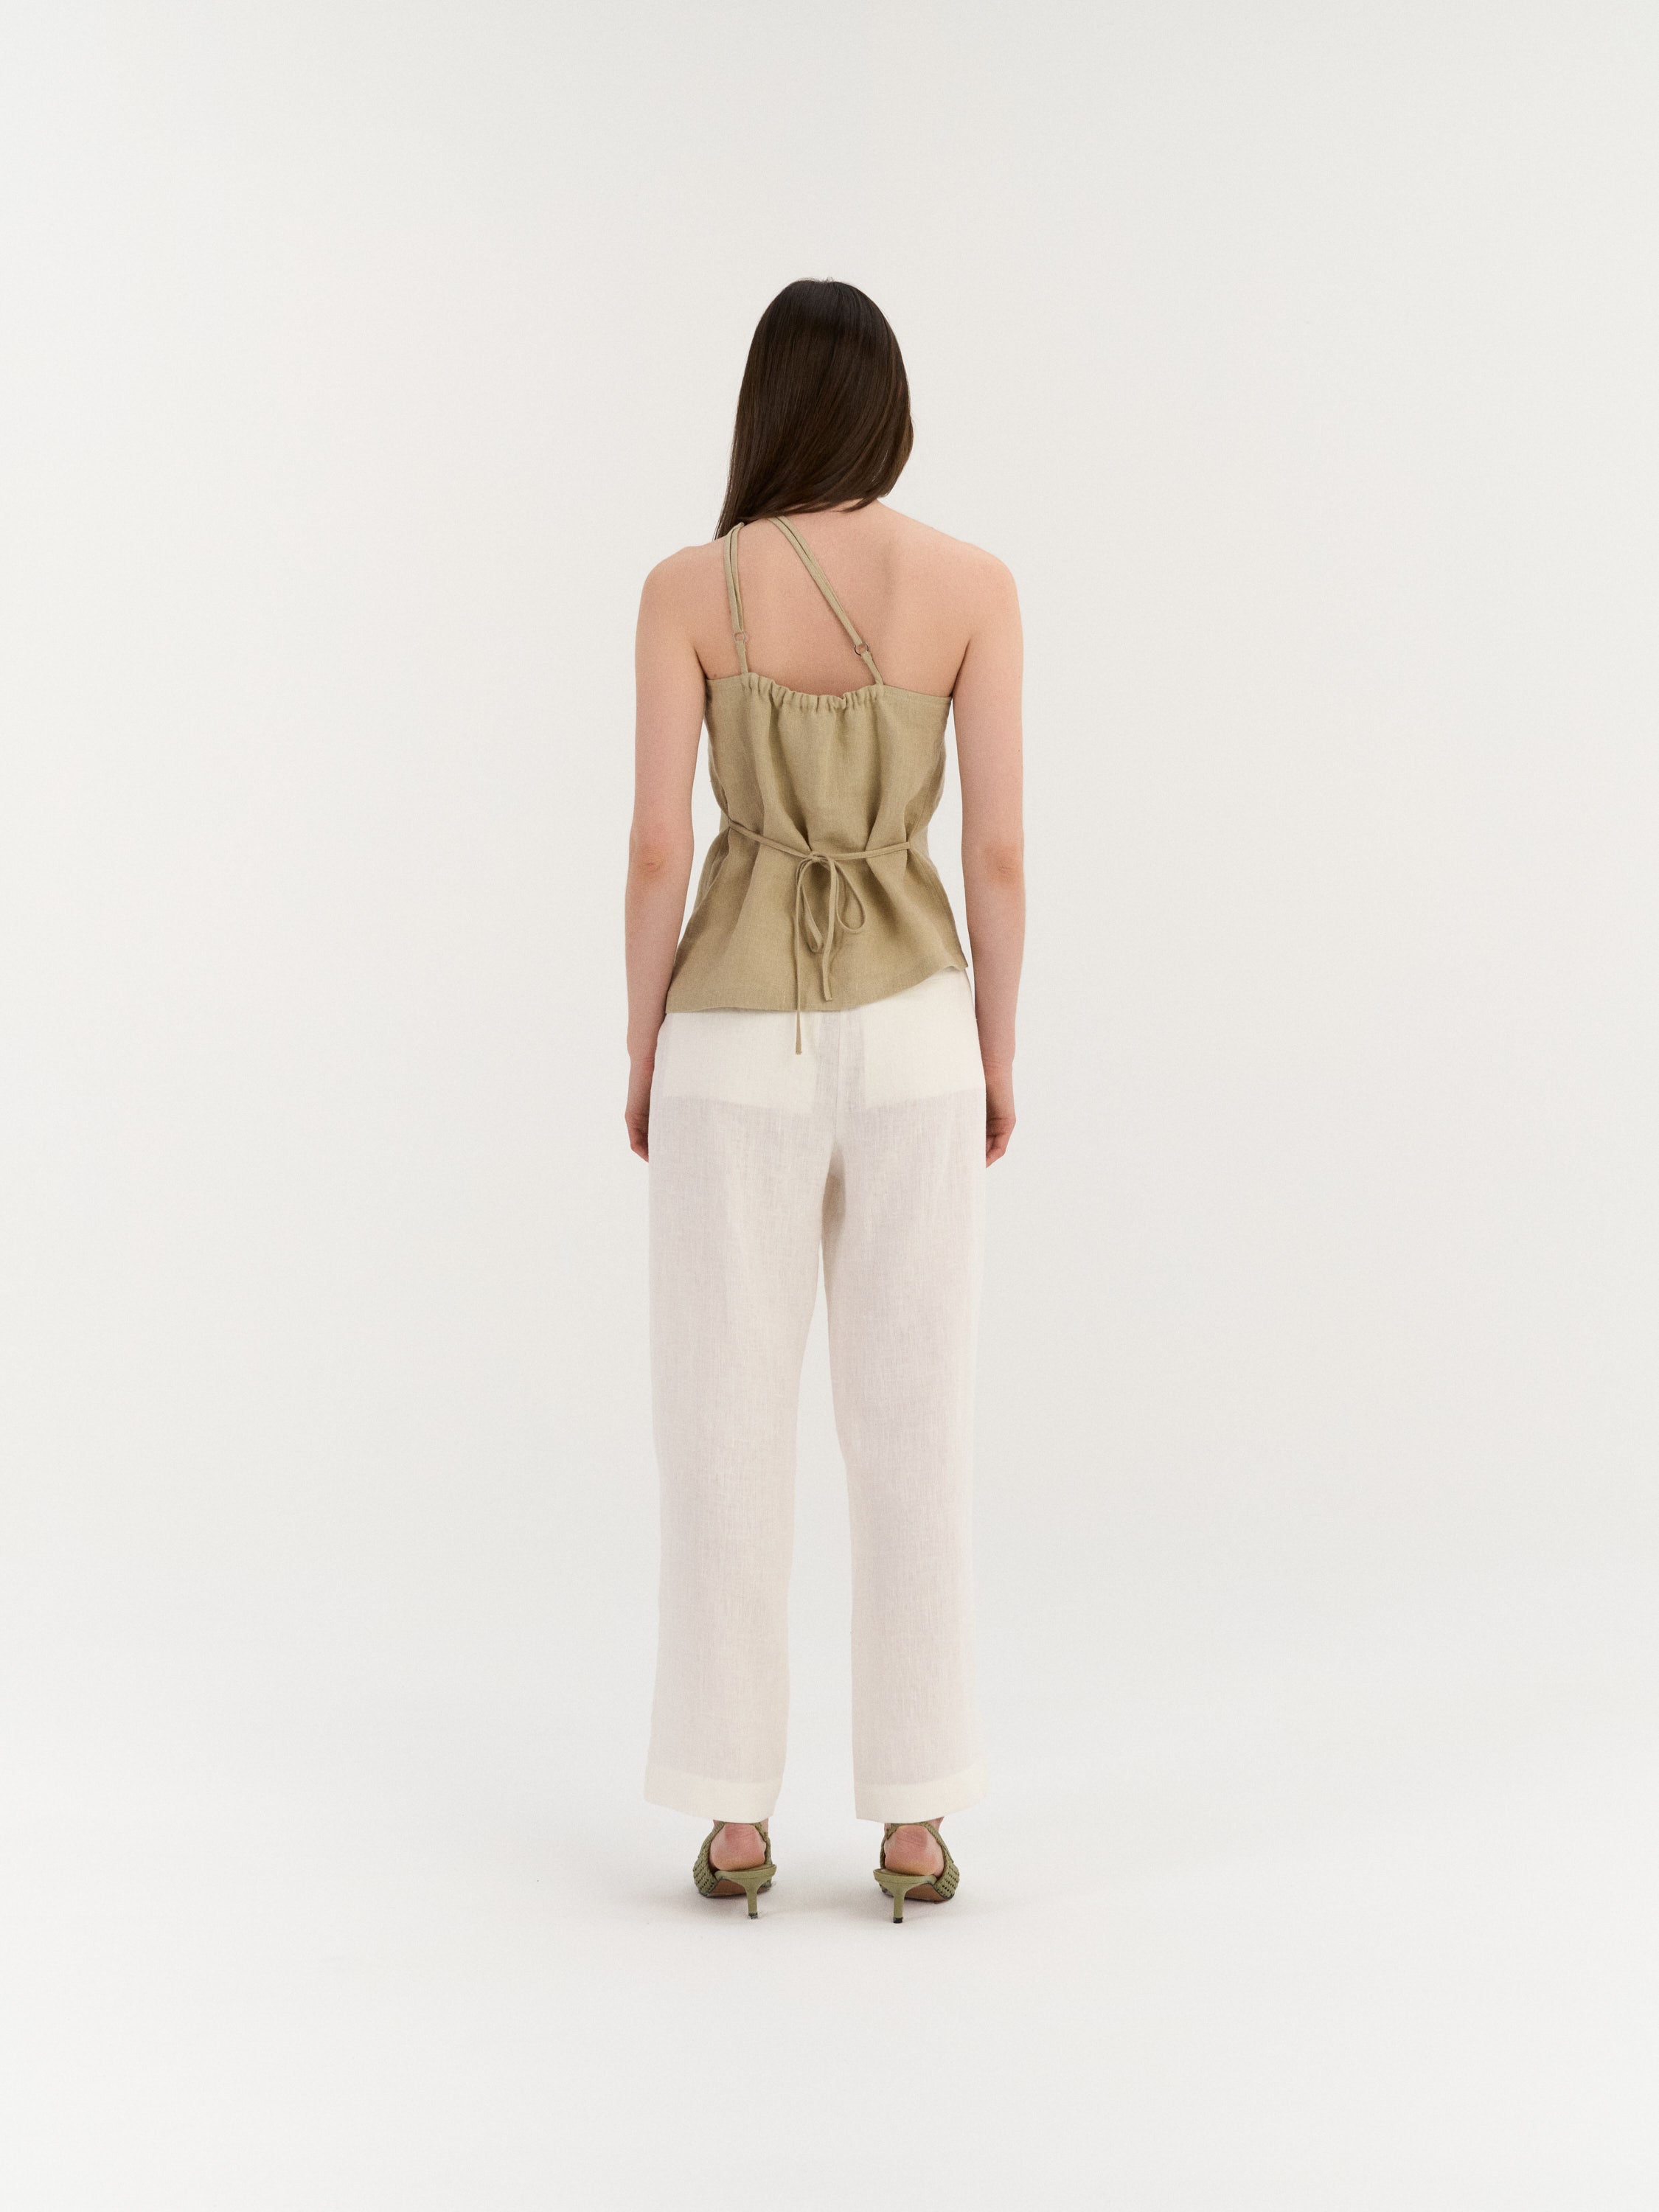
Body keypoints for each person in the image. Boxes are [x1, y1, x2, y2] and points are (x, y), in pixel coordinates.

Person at [624, 278, 1024, 1921]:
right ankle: (915, 1823)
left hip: (731, 1039)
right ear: (889, 411)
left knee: (722, 1419)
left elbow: (660, 846)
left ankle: (733, 1817)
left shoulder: (686, 589)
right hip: (919, 1031)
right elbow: (996, 849)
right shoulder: (973, 586)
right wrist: (998, 1044)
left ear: (765, 409)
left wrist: (639, 1043)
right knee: (915, 1418)